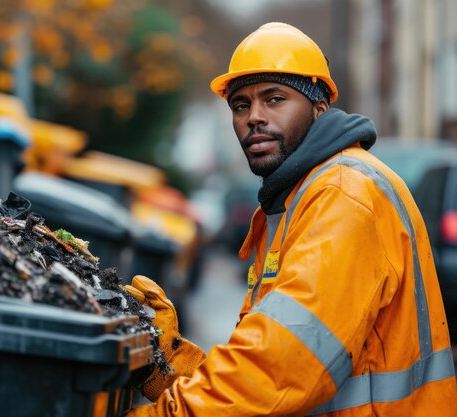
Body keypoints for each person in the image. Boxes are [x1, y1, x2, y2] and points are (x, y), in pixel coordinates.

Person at [123, 22, 457, 416]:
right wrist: (168, 364)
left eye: (275, 98)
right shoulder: (295, 200)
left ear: (319, 107)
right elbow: (264, 368)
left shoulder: (343, 194)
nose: (254, 117)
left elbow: (279, 371)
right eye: (241, 105)